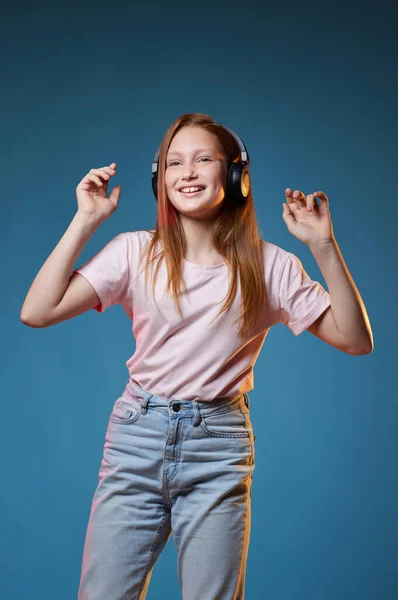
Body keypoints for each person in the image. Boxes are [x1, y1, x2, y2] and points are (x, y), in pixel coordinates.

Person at [20, 113, 373, 600]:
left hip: (219, 446)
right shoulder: (134, 252)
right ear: (159, 179)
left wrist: (324, 246)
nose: (186, 172)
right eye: (173, 162)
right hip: (137, 436)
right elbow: (37, 312)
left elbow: (355, 339)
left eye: (203, 159)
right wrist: (85, 221)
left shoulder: (271, 266)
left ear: (235, 175)